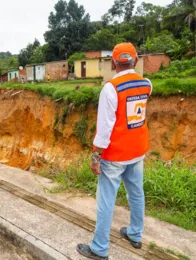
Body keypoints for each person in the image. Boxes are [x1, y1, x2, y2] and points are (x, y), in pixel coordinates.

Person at [77, 42, 152, 260]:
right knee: (136, 193)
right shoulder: (147, 84)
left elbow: (104, 129)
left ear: (113, 63)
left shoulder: (111, 88)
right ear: (135, 61)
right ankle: (135, 234)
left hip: (115, 155)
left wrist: (95, 157)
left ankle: (99, 248)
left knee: (106, 200)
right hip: (137, 152)